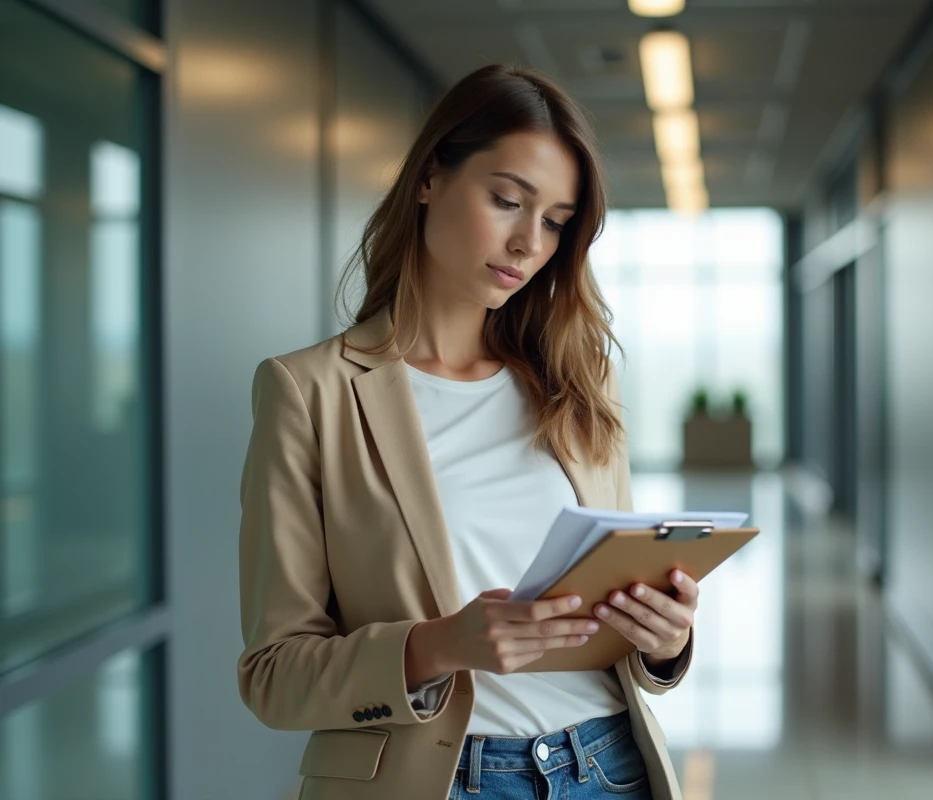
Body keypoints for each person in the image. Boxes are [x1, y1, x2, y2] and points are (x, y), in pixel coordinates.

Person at [236, 63, 699, 800]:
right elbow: (272, 676)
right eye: (507, 200)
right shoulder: (310, 392)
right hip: (445, 780)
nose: (528, 244)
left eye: (554, 222)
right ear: (428, 178)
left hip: (608, 768)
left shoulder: (579, 382)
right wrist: (439, 645)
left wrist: (666, 642)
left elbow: (615, 618)